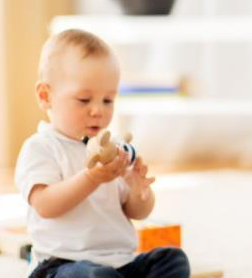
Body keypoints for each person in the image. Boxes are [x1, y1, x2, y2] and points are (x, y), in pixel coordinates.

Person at [15, 29, 190, 278]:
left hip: (121, 264)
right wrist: (91, 178)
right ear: (46, 96)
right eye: (84, 99)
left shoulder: (112, 150)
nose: (98, 110)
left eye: (108, 100)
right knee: (92, 275)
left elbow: (136, 213)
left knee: (172, 259)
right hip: (62, 265)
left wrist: (139, 192)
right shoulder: (41, 148)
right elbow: (46, 205)